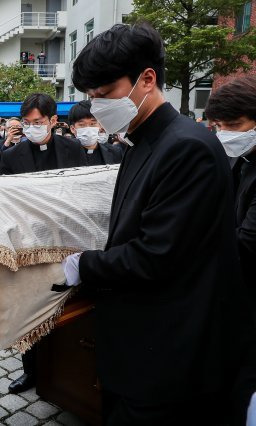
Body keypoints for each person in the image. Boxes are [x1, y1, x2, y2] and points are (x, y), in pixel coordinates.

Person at [60, 23, 255, 424]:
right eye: (91, 98)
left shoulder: (186, 147)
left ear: (147, 79)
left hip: (168, 356)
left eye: (105, 94)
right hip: (137, 346)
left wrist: (84, 264)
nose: (97, 107)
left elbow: (156, 255)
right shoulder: (141, 138)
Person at [2, 93, 86, 394]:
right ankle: (31, 371)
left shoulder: (73, 148)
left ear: (53, 120)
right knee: (30, 307)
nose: (31, 128)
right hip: (30, 242)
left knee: (67, 304)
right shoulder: (11, 156)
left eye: (37, 122)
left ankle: (64, 370)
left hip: (67, 239)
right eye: (27, 123)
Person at [205, 76, 256, 309]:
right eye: (219, 126)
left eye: (234, 125)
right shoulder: (240, 157)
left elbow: (248, 242)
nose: (225, 134)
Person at [68, 100, 122, 166]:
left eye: (92, 124)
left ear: (100, 125)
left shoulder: (115, 152)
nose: (88, 128)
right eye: (82, 124)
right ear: (73, 129)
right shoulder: (63, 154)